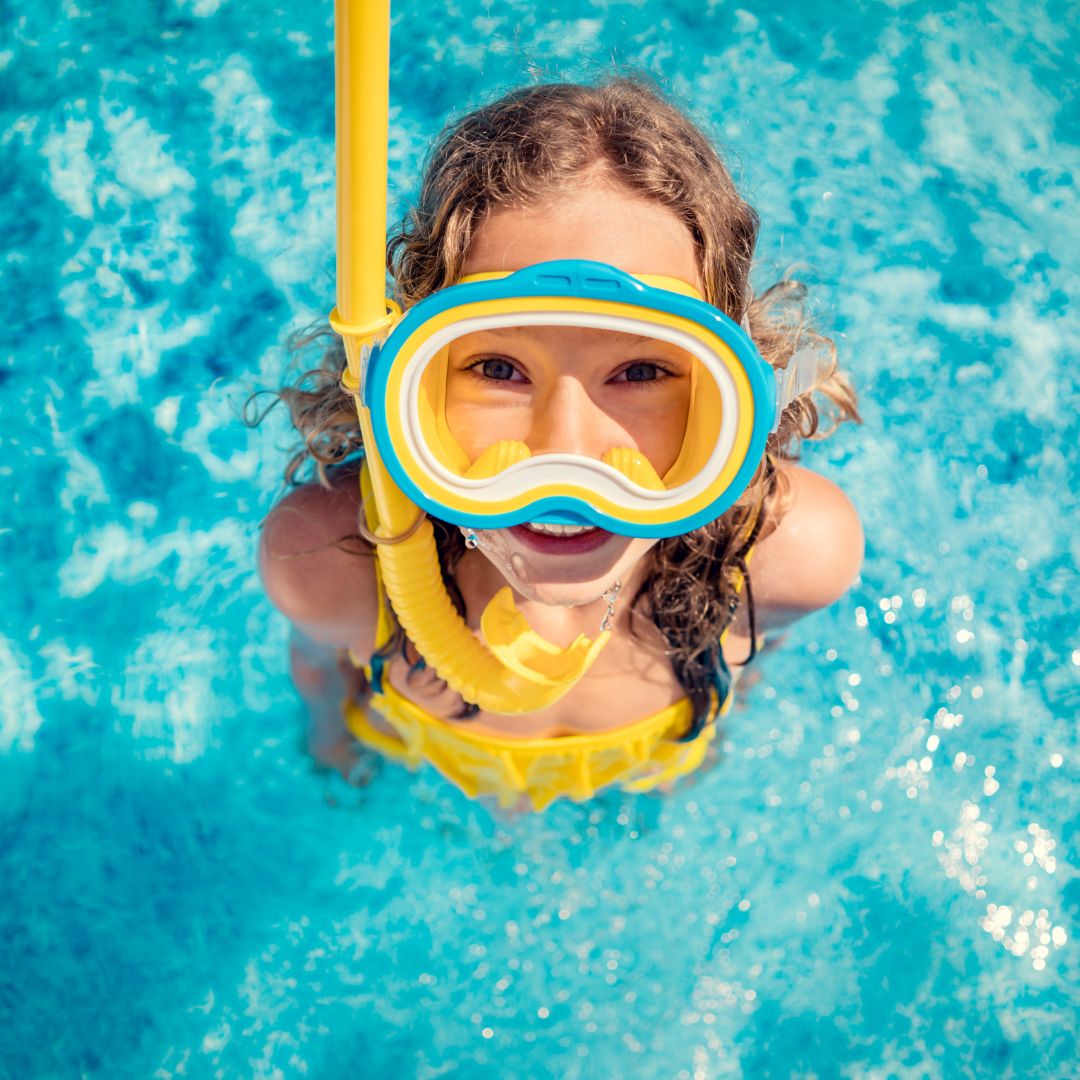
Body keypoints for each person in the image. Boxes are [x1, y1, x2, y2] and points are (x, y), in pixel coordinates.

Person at [257, 79, 863, 810]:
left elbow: (756, 658)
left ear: (735, 395)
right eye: (496, 368)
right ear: (405, 385)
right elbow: (320, 672)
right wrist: (331, 751)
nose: (566, 453)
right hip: (424, 770)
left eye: (641, 371)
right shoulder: (330, 562)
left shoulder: (785, 559)